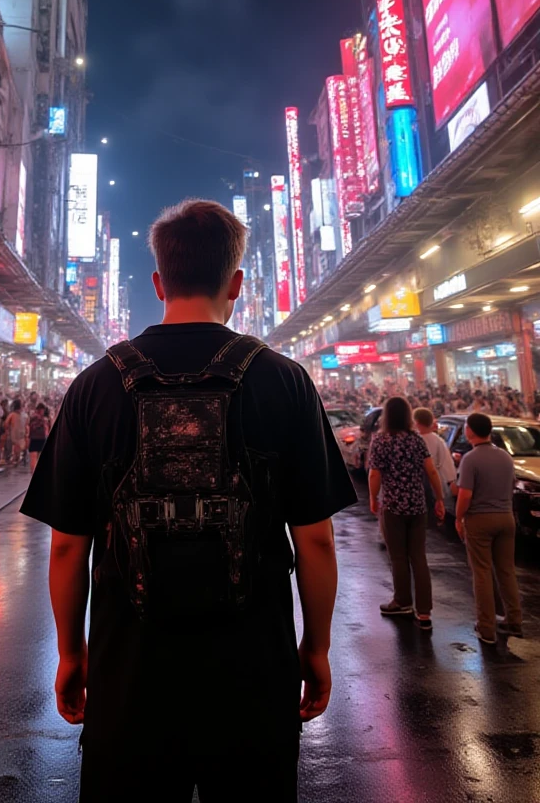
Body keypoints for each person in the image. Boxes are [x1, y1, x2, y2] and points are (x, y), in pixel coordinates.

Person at [22, 199, 357, 803]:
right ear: (236, 283)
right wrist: (317, 646)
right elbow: (315, 539)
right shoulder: (284, 380)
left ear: (158, 282)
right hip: (253, 675)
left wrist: (73, 653)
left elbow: (69, 547)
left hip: (131, 677)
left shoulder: (95, 385)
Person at [368, 397, 446, 632]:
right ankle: (424, 612)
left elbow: (374, 474)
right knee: (418, 557)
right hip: (417, 506)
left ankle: (402, 601)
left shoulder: (381, 440)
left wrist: (373, 497)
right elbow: (431, 471)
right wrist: (439, 498)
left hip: (393, 507)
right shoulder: (416, 439)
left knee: (399, 557)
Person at [456, 412, 523, 644]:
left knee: (482, 572)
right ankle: (514, 619)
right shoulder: (505, 456)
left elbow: (465, 495)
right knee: (506, 570)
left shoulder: (470, 459)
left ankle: (486, 627)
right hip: (506, 517)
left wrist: (458, 517)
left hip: (480, 520)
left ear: (471, 431)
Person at [413, 407, 458, 507]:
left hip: (418, 488)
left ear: (416, 422)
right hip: (437, 486)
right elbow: (447, 465)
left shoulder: (412, 440)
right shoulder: (438, 440)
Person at [27, 402, 49, 472]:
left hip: (33, 438)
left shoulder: (32, 417)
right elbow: (47, 429)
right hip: (42, 439)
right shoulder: (45, 419)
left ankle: (33, 475)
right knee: (39, 459)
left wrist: (28, 437)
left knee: (33, 458)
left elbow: (29, 427)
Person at [4, 400, 27, 466]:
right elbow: (27, 423)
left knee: (15, 446)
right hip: (22, 432)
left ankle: (15, 459)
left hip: (14, 432)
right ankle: (17, 459)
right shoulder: (24, 414)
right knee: (18, 446)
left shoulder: (12, 414)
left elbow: (6, 423)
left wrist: (7, 430)